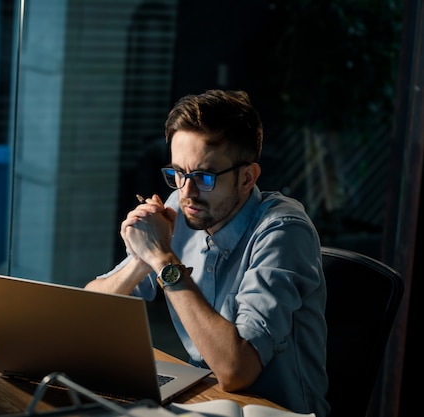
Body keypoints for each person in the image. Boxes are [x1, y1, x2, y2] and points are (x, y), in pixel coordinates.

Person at [85, 90, 329, 417]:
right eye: (177, 174)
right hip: (204, 403)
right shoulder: (181, 208)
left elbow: (235, 370)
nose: (187, 192)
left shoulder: (284, 232)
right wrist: (142, 261)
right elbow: (90, 310)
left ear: (247, 178)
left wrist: (164, 261)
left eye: (204, 177)